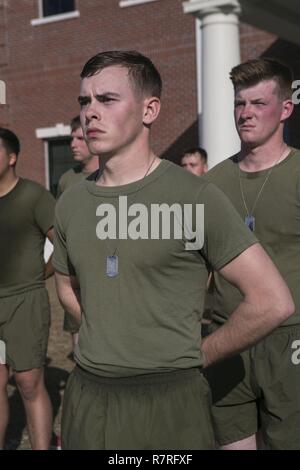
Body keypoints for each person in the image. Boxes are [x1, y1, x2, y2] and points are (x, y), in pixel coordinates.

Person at [53, 50, 294, 450]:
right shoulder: (70, 201)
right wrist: (107, 332)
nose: (90, 113)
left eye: (107, 99)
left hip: (170, 399)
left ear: (150, 109)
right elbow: (66, 285)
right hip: (89, 395)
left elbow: (272, 301)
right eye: (84, 101)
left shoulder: (196, 196)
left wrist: (198, 353)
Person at [203, 57, 300, 450]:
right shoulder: (211, 184)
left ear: (285, 109)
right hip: (227, 339)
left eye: (259, 103)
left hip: (290, 341)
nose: (246, 113)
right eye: (239, 104)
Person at [0, 128, 55, 449]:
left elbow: (63, 245)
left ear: (12, 158)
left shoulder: (34, 196)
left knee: (28, 384)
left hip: (26, 303)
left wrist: (40, 275)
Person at [57, 116, 98, 351]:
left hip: (106, 274)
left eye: (79, 138)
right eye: (71, 138)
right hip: (74, 278)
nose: (73, 143)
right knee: (79, 349)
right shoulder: (66, 181)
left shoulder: (110, 175)